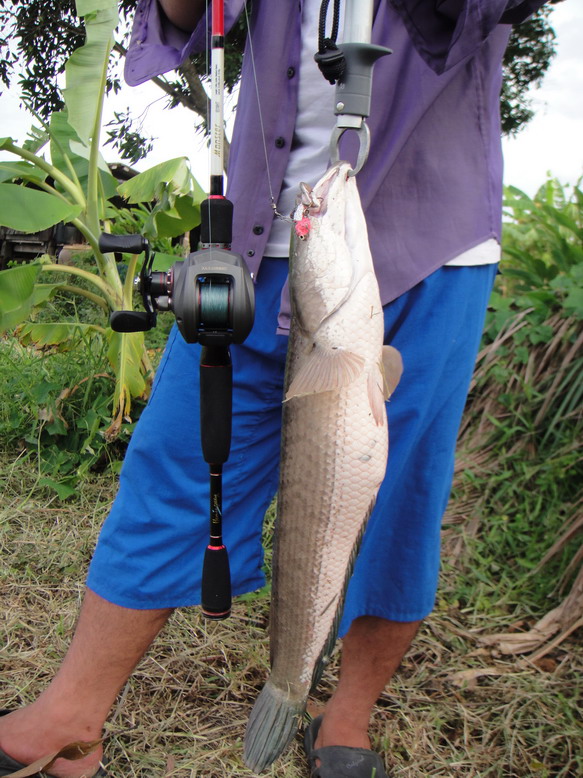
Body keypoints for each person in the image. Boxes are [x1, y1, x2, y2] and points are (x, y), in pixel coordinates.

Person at [0, 1, 547, 776]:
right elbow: (184, 18)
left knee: (397, 500)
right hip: (257, 236)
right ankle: (72, 716)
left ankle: (341, 718)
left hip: (430, 245)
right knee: (177, 461)